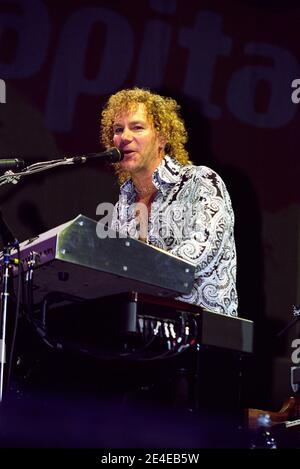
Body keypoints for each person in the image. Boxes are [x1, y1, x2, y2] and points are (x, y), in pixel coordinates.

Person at [100, 88, 238, 317]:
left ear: (162, 137)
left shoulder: (200, 181)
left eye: (137, 127)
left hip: (202, 333)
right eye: (118, 129)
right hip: (140, 335)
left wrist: (127, 273)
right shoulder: (121, 206)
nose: (124, 137)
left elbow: (196, 256)